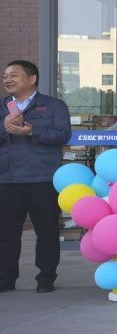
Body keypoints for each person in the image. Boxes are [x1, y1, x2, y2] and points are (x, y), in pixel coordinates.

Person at [0, 60, 72, 293]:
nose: (7, 80)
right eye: (5, 76)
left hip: (43, 179)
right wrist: (5, 127)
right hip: (7, 179)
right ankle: (5, 280)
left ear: (32, 79)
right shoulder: (2, 106)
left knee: (47, 231)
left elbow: (63, 135)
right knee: (6, 234)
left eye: (13, 75)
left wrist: (32, 131)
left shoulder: (53, 106)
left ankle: (46, 278)